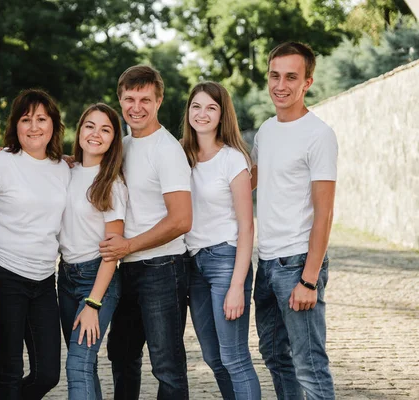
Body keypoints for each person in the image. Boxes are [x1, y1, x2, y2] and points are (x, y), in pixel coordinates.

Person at [251, 42, 338, 400]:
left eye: (291, 77)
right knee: (274, 355)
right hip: (267, 262)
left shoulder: (319, 134)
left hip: (297, 265)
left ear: (308, 82)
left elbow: (325, 213)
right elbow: (246, 179)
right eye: (275, 75)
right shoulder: (265, 131)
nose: (281, 85)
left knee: (309, 363)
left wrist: (309, 279)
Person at [100, 65, 192, 399]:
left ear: (159, 101)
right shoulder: (121, 146)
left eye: (145, 99)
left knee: (167, 366)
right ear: (120, 100)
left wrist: (128, 246)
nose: (136, 107)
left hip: (162, 268)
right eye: (129, 99)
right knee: (122, 356)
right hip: (127, 269)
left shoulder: (167, 149)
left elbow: (182, 220)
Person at [183, 82, 261, 399]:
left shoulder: (233, 159)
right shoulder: (179, 154)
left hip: (226, 263)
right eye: (197, 106)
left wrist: (236, 286)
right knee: (214, 358)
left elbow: (246, 226)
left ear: (222, 115)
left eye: (211, 108)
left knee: (235, 358)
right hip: (192, 264)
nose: (202, 114)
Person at [0, 89, 70, 399]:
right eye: (26, 119)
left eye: (41, 119)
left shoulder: (63, 168)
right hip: (4, 275)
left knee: (47, 373)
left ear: (53, 125)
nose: (34, 127)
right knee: (9, 369)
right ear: (15, 125)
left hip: (44, 280)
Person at [58, 103, 127, 400]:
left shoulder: (111, 183)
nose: (96, 134)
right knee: (85, 365)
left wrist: (93, 303)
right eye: (90, 126)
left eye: (105, 129)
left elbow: (113, 251)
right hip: (66, 278)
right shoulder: (65, 170)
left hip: (97, 279)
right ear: (79, 129)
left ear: (114, 140)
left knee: (77, 366)